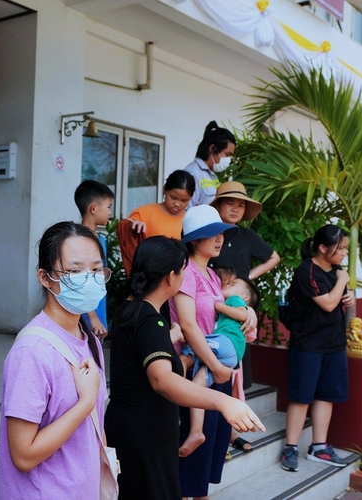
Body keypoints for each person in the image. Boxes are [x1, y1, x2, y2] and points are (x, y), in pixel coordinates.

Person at [105, 236, 263, 500]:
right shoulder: (150, 321)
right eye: (182, 271)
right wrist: (223, 401)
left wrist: (172, 338)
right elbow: (162, 379)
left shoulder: (130, 310)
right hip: (146, 435)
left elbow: (140, 354)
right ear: (171, 277)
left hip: (129, 428)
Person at [0, 221, 108, 499]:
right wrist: (85, 403)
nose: (88, 278)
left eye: (95, 270)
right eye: (74, 271)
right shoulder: (32, 351)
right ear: (44, 277)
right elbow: (23, 455)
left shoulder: (88, 338)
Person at [168, 205, 258, 499]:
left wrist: (248, 313)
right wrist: (215, 367)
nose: (219, 238)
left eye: (221, 233)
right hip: (199, 366)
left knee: (207, 459)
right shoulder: (186, 272)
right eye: (211, 234)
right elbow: (189, 326)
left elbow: (225, 315)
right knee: (191, 465)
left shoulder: (212, 276)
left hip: (216, 366)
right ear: (194, 239)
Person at [209, 180, 280, 451]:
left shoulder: (248, 237)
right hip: (207, 307)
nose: (236, 208)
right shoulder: (207, 234)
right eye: (230, 202)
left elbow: (273, 257)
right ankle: (206, 429)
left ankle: (229, 431)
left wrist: (247, 279)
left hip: (237, 310)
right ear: (218, 205)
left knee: (235, 371)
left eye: (241, 204)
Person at [280, 225, 354, 472]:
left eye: (345, 248)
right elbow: (328, 303)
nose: (344, 253)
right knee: (301, 396)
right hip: (308, 343)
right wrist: (342, 280)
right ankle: (291, 447)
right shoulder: (307, 270)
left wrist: (350, 295)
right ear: (323, 248)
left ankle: (318, 447)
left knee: (326, 395)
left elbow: (341, 299)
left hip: (334, 343)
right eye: (340, 248)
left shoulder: (336, 270)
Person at [179, 277, 260, 457]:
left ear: (245, 298)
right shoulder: (237, 302)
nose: (228, 284)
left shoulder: (235, 301)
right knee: (197, 386)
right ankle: (196, 432)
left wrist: (219, 306)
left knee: (187, 351)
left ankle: (173, 403)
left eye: (234, 284)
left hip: (225, 343)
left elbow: (242, 314)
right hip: (230, 356)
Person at [74, 180, 113, 339]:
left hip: (99, 308)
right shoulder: (79, 239)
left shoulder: (101, 239)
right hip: (86, 314)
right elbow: (80, 280)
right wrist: (92, 317)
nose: (110, 212)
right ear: (94, 208)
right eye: (108, 207)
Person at [183, 121, 236, 207]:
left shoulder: (211, 175)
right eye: (227, 154)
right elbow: (186, 211)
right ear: (212, 148)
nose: (229, 159)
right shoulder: (192, 174)